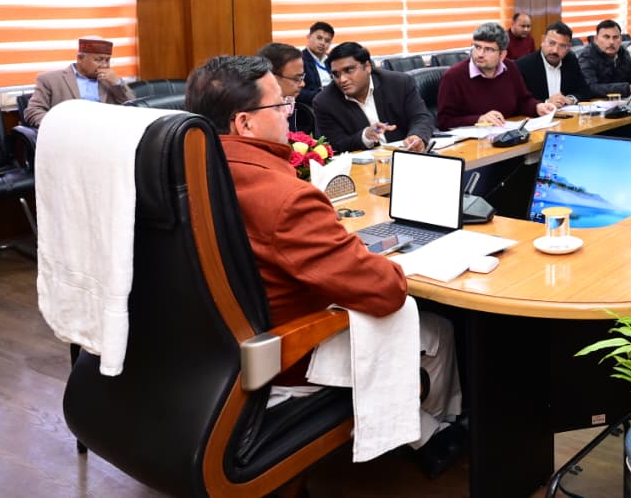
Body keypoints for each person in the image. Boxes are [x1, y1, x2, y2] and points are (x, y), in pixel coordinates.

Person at [183, 55, 465, 476]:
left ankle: (420, 427)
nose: (288, 112)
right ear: (244, 124)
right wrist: (372, 258)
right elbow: (386, 292)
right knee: (437, 330)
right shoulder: (286, 197)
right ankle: (434, 434)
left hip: (208, 352)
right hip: (288, 354)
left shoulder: (185, 174)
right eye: (280, 104)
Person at [313, 42, 435, 153]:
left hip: (405, 156)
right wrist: (365, 136)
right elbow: (335, 144)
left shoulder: (399, 83)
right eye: (336, 74)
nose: (342, 79)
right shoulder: (324, 102)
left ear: (367, 67)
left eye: (349, 70)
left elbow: (421, 117)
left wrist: (417, 136)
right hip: (363, 165)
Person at [436, 21, 553, 129]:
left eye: (488, 49)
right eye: (477, 47)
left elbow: (523, 101)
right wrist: (479, 119)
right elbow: (444, 121)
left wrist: (537, 107)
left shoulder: (510, 68)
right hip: (473, 142)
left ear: (502, 55)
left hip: (506, 134)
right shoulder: (454, 76)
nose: (480, 54)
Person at [23, 37, 134, 127]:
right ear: (80, 58)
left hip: (105, 132)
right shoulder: (50, 79)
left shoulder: (110, 80)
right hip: (69, 135)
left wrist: (117, 83)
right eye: (98, 60)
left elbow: (133, 107)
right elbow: (33, 111)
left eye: (107, 60)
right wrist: (58, 127)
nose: (104, 65)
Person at [577, 19, 631, 98]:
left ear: (621, 39)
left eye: (615, 37)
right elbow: (591, 88)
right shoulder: (587, 56)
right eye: (606, 37)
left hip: (623, 101)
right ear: (596, 39)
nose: (611, 42)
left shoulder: (622, 52)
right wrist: (627, 89)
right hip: (596, 103)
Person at [516, 20, 592, 107]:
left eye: (562, 46)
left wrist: (570, 99)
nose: (555, 50)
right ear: (543, 40)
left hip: (566, 114)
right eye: (552, 43)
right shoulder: (524, 65)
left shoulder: (570, 60)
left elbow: (585, 91)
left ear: (568, 47)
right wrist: (546, 103)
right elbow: (519, 101)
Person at [258, 42, 318, 135]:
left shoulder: (289, 103)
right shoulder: (256, 114)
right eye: (297, 79)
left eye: (302, 77)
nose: (303, 84)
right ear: (272, 77)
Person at [298, 21, 335, 109]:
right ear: (308, 37)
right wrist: (322, 94)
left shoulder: (332, 60)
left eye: (327, 41)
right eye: (319, 38)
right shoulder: (299, 61)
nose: (322, 43)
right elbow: (297, 92)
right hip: (315, 106)